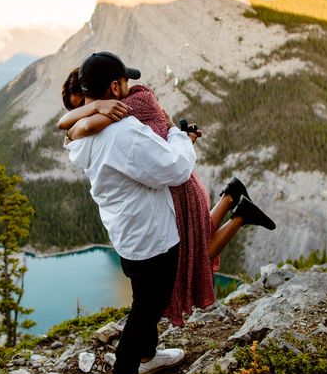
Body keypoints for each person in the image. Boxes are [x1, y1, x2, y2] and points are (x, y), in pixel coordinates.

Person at [59, 65, 276, 325]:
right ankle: (230, 196)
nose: (79, 113)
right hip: (179, 186)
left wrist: (92, 113)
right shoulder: (133, 99)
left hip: (177, 190)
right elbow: (73, 126)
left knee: (197, 256)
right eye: (77, 109)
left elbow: (73, 129)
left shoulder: (122, 110)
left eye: (84, 103)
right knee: (198, 240)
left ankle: (240, 215)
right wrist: (96, 108)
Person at [62, 51, 198, 374]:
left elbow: (71, 129)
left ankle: (148, 356)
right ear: (114, 86)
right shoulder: (124, 131)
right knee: (146, 308)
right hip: (151, 232)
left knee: (144, 296)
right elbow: (175, 168)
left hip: (127, 231)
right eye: (125, 81)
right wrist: (176, 134)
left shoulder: (84, 133)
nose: (130, 86)